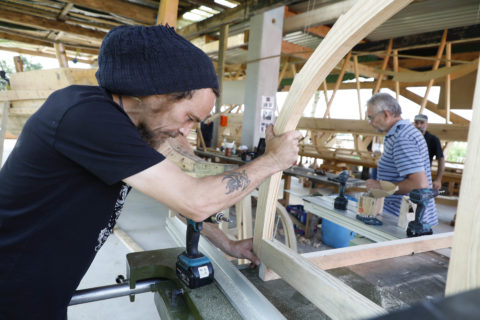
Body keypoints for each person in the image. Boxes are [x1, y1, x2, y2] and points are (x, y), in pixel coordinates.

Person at [0, 25, 301, 320]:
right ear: (155, 93)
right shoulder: (85, 116)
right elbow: (194, 200)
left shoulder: (126, 128)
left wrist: (228, 244)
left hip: (38, 289)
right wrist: (273, 160)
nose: (185, 131)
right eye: (188, 118)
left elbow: (178, 193)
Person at [365, 93, 437, 227]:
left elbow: (419, 184)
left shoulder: (402, 138)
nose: (370, 123)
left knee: (403, 243)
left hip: (405, 214)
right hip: (405, 210)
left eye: (371, 117)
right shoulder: (404, 132)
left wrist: (379, 187)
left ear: (386, 114)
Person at [413, 114, 445, 190]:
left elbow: (441, 159)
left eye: (421, 123)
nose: (419, 125)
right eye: (416, 123)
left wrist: (438, 179)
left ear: (427, 124)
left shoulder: (433, 139)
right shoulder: (410, 138)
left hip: (424, 176)